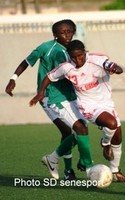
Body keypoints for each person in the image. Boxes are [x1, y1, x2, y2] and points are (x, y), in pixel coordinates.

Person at [5, 19, 93, 180]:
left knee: (79, 130)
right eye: (62, 32)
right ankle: (71, 170)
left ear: (74, 31)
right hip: (49, 96)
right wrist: (13, 79)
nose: (66, 35)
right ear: (55, 35)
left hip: (71, 96)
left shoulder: (76, 50)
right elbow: (26, 61)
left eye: (69, 31)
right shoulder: (46, 48)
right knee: (68, 130)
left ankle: (56, 159)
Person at [29, 39, 125, 182]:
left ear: (85, 52)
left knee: (118, 133)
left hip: (106, 103)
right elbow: (49, 77)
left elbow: (110, 64)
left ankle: (115, 170)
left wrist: (115, 68)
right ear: (69, 56)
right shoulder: (66, 67)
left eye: (80, 55)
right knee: (111, 124)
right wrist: (41, 92)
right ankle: (104, 145)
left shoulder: (97, 59)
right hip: (87, 105)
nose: (77, 60)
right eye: (73, 57)